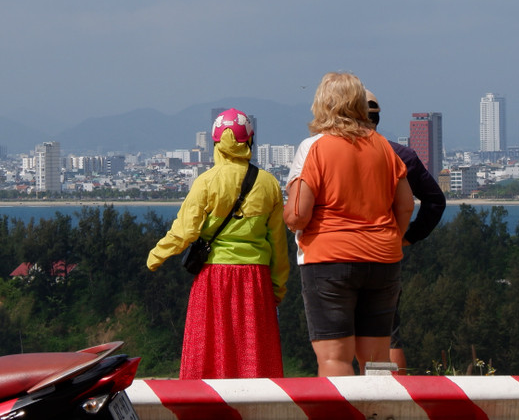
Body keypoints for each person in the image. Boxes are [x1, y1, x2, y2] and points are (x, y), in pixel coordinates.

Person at [285, 72, 413, 377]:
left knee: (335, 359)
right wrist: (394, 236)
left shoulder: (315, 147)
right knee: (378, 360)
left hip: (329, 260)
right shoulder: (383, 147)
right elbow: (406, 205)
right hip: (383, 259)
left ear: (322, 104)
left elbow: (300, 215)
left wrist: (287, 215)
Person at [146, 108, 289, 378]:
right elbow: (278, 244)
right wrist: (277, 287)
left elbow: (185, 231)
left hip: (214, 278)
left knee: (208, 354)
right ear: (250, 141)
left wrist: (156, 255)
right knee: (254, 356)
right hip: (255, 280)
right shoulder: (269, 184)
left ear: (214, 143)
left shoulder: (206, 182)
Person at [365, 90, 446, 374]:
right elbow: (435, 200)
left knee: (337, 336)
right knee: (389, 329)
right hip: (387, 250)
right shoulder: (402, 154)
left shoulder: (331, 152)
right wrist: (409, 236)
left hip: (341, 252)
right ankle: (398, 394)